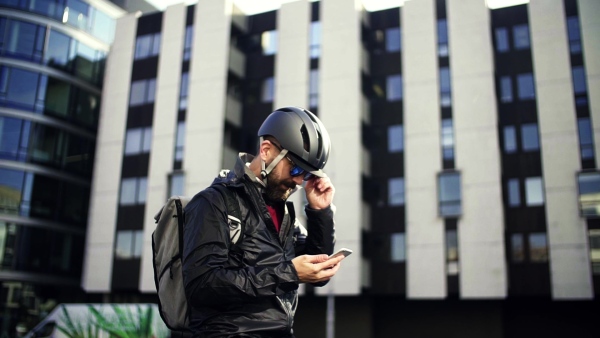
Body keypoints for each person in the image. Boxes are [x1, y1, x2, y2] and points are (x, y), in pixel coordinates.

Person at [182, 106, 343, 337]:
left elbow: (319, 275)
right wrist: (289, 274)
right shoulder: (213, 202)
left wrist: (321, 211)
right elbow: (202, 286)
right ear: (266, 151)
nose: (298, 181)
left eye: (306, 174)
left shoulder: (284, 213)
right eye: (296, 168)